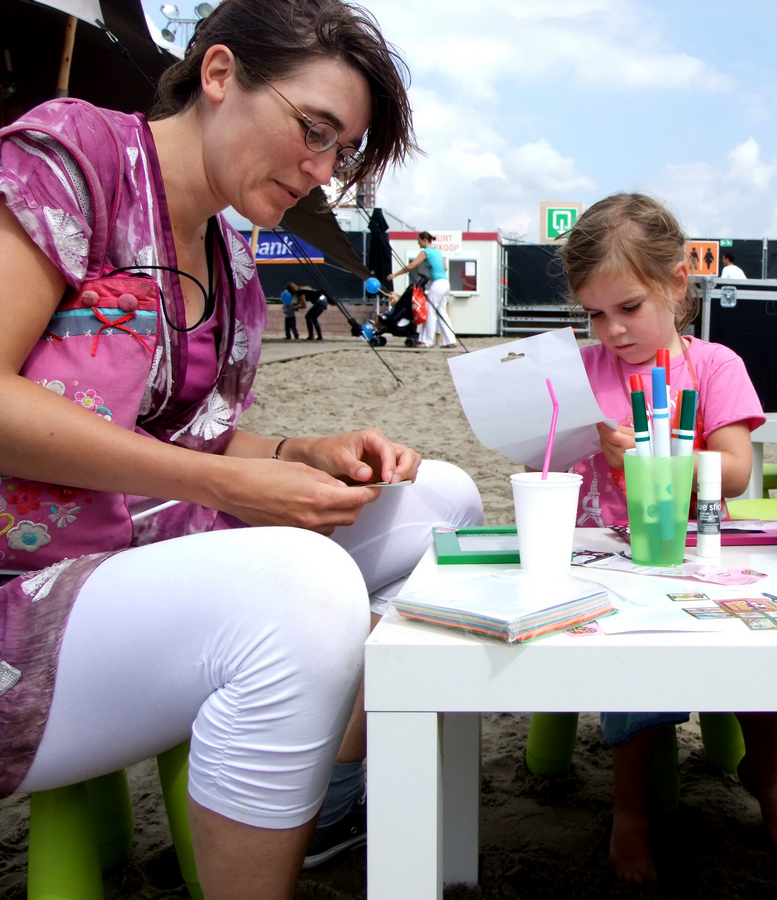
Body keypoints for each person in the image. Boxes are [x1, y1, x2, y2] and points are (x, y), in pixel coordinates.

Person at [0, 2, 484, 898]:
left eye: (342, 153)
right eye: (315, 131)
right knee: (303, 589)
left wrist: (299, 450)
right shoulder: (76, 159)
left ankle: (327, 789)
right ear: (219, 74)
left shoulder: (230, 248)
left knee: (446, 504)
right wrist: (224, 481)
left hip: (149, 555)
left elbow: (189, 435)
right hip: (26, 589)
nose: (322, 170)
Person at [558, 192, 777, 883]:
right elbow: (540, 455)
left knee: (764, 656)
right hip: (609, 557)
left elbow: (736, 471)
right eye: (594, 314)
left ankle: (768, 777)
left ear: (675, 284)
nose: (612, 331)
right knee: (633, 667)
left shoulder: (715, 366)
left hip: (702, 552)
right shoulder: (581, 372)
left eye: (629, 307)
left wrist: (653, 455)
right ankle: (630, 811)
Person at [390, 230, 455, 348]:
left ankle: (428, 341)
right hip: (445, 283)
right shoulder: (437, 251)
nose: (418, 243)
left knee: (429, 310)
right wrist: (431, 275)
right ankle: (450, 340)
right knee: (442, 312)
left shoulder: (425, 252)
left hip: (438, 284)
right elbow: (444, 267)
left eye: (419, 240)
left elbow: (412, 265)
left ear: (424, 240)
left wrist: (395, 274)